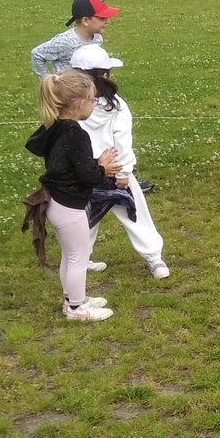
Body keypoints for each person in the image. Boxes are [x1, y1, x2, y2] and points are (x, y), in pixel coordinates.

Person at [26, 70, 122, 321]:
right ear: (79, 102)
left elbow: (67, 164)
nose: (94, 104)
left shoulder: (55, 127)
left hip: (55, 200)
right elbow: (88, 176)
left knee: (70, 256)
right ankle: (77, 309)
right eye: (92, 99)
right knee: (78, 256)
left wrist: (95, 163)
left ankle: (72, 299)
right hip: (69, 206)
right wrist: (103, 168)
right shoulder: (76, 133)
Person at [70, 44, 168, 280]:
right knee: (135, 214)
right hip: (114, 171)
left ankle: (79, 260)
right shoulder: (117, 106)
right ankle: (155, 259)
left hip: (86, 171)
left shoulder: (71, 106)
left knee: (85, 218)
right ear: (104, 75)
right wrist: (124, 172)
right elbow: (122, 141)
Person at [31, 0, 120, 77]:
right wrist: (47, 80)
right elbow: (37, 54)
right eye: (102, 18)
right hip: (66, 87)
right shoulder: (65, 41)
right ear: (85, 21)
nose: (107, 21)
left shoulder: (97, 39)